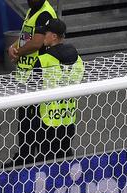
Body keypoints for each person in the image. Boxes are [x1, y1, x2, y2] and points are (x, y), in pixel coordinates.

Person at [22, 18, 83, 166]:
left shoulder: (43, 60)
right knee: (65, 159)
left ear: (54, 36)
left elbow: (31, 88)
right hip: (68, 118)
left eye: (46, 33)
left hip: (46, 121)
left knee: (47, 163)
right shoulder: (78, 59)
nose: (43, 36)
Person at [7, 0, 59, 168]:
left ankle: (31, 158)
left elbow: (37, 43)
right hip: (26, 74)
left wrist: (18, 52)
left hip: (38, 73)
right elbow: (26, 36)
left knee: (33, 118)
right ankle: (25, 155)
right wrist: (13, 47)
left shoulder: (44, 13)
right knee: (25, 117)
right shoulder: (33, 11)